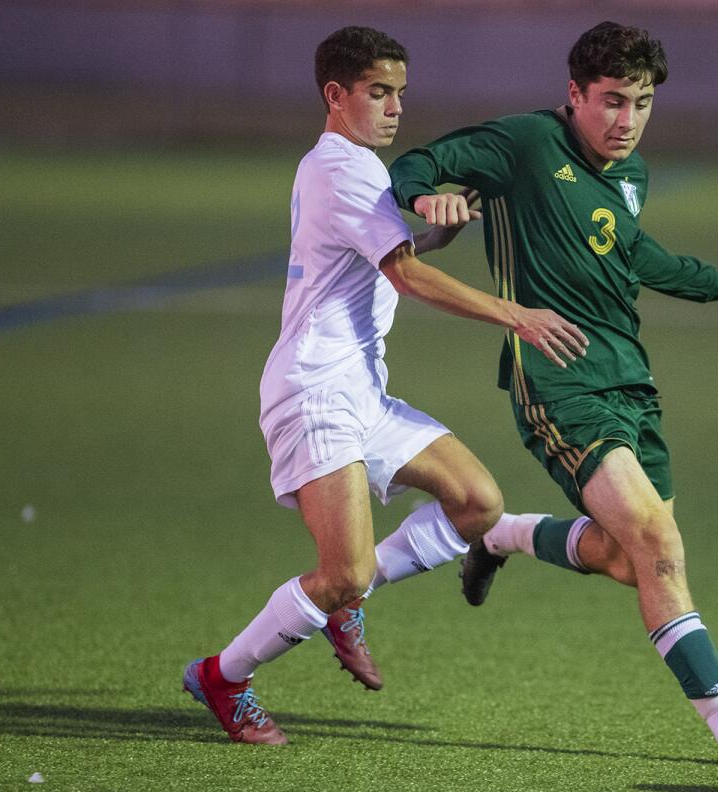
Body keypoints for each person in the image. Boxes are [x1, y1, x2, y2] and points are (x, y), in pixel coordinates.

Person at [182, 26, 587, 745]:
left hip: (361, 392)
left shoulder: (355, 166)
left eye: (401, 92)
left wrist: (442, 231)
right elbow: (404, 273)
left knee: (477, 500)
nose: (396, 107)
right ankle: (224, 676)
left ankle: (348, 600)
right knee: (341, 573)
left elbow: (389, 249)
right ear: (335, 95)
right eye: (379, 92)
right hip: (316, 392)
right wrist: (515, 314)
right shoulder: (342, 169)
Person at [389, 21, 718, 754]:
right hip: (557, 379)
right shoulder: (527, 144)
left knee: (627, 558)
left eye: (642, 103)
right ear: (575, 94)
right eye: (611, 102)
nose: (626, 121)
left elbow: (636, 254)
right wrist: (424, 199)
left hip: (630, 380)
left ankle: (499, 535)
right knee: (659, 541)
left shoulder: (632, 175)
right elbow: (419, 160)